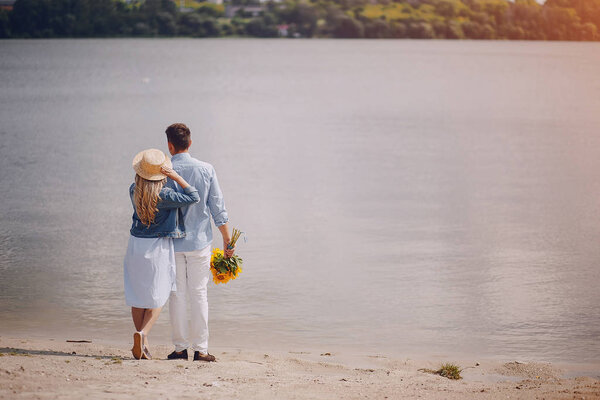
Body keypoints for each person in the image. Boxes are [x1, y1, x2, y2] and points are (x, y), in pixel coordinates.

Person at [165, 123, 234, 362]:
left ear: (169, 145)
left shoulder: (162, 171)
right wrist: (227, 239)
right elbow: (218, 208)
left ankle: (179, 348)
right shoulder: (206, 169)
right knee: (199, 294)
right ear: (190, 143)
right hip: (200, 242)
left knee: (176, 295)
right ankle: (201, 350)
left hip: (172, 243)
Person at [124, 148, 200, 360]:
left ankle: (142, 343)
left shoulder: (133, 190)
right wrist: (176, 177)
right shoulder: (165, 195)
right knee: (160, 293)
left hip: (135, 245)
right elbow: (193, 196)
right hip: (158, 246)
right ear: (160, 173)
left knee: (137, 296)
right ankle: (143, 334)